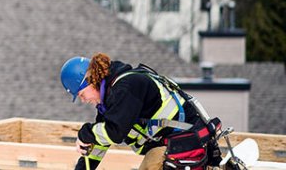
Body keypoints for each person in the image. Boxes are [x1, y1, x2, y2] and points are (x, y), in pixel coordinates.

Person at [60, 53, 221, 170]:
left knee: (151, 163)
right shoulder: (111, 100)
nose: (83, 100)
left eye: (81, 94)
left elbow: (115, 132)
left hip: (185, 143)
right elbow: (100, 141)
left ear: (90, 81)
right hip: (175, 145)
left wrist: (85, 133)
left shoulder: (127, 86)